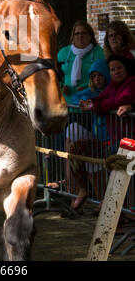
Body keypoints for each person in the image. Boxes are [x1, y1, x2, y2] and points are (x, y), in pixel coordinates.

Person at [65, 59, 111, 209]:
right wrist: (89, 101)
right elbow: (75, 98)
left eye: (100, 76)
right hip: (97, 138)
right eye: (94, 76)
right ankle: (82, 190)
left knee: (97, 166)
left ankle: (101, 201)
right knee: (75, 153)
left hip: (108, 139)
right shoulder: (91, 92)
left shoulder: (110, 91)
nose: (97, 79)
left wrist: (91, 104)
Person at [80, 55, 135, 151]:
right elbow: (102, 96)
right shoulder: (113, 84)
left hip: (130, 135)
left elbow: (120, 101)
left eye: (119, 68)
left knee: (124, 163)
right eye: (112, 70)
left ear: (126, 68)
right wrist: (91, 102)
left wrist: (94, 105)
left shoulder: (132, 82)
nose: (116, 72)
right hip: (117, 136)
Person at [57, 20, 105, 104]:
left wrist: (87, 87)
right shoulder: (63, 53)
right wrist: (61, 86)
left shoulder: (99, 53)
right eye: (77, 33)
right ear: (73, 36)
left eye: (83, 33)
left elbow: (105, 77)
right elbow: (55, 74)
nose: (80, 36)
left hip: (88, 102)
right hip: (66, 103)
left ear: (90, 36)